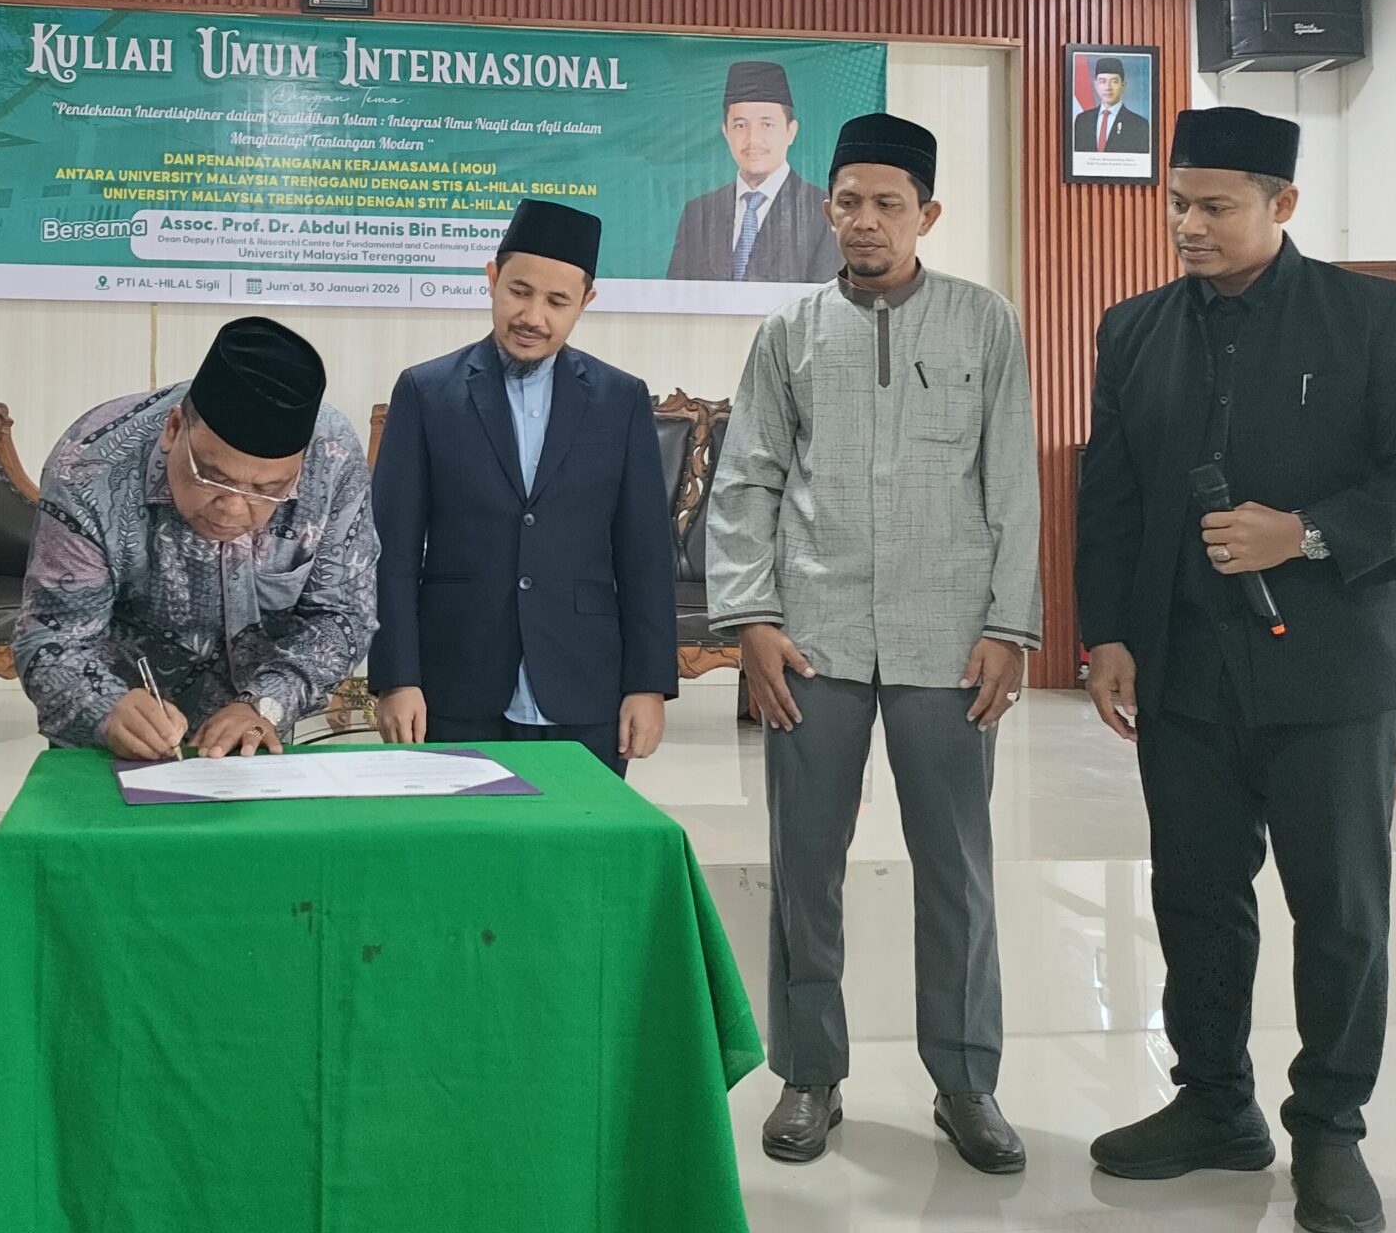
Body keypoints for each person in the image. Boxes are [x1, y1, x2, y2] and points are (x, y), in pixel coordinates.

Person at [1075, 105, 1396, 1233]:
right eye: (1176, 204)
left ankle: (1330, 1130)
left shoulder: (1372, 316)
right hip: (1185, 673)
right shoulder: (1134, 329)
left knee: (1338, 909)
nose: (1188, 226)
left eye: (1215, 206)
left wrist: (1303, 533)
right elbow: (1111, 495)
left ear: (1282, 204)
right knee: (1195, 896)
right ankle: (1214, 1104)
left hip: (1333, 676)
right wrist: (1109, 635)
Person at [704, 112, 1041, 1172]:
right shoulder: (790, 332)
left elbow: (1012, 481)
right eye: (848, 201)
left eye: (888, 204)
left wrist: (1010, 626)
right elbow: (746, 481)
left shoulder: (984, 323)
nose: (864, 221)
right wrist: (752, 620)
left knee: (958, 869)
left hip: (951, 641)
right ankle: (809, 1074)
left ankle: (967, 1082)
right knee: (804, 866)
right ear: (826, 208)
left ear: (926, 215)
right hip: (817, 639)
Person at [370, 198, 678, 778]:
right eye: (519, 291)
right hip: (454, 683)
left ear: (585, 302)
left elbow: (645, 554)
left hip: (585, 684)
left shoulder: (621, 399)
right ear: (492, 279)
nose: (533, 316)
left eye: (557, 301)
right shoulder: (426, 393)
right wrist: (396, 678)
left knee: (584, 834)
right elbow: (392, 551)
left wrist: (648, 685)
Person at [14, 316, 377, 759]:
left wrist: (266, 702)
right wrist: (103, 708)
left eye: (267, 490)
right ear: (173, 429)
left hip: (252, 736)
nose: (233, 508)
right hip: (116, 733)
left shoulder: (332, 458)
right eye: (212, 477)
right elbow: (53, 635)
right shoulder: (91, 467)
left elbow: (342, 614)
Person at [665, 59, 839, 283]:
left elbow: (827, 296)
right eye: (740, 125)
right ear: (726, 132)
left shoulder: (823, 211)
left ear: (791, 131)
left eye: (766, 124)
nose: (752, 139)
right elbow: (677, 295)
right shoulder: (698, 213)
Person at [1074, 55, 1152, 157]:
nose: (1108, 87)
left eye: (1114, 81)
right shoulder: (1082, 120)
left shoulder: (1139, 125)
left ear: (1123, 86)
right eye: (1103, 81)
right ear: (1096, 85)